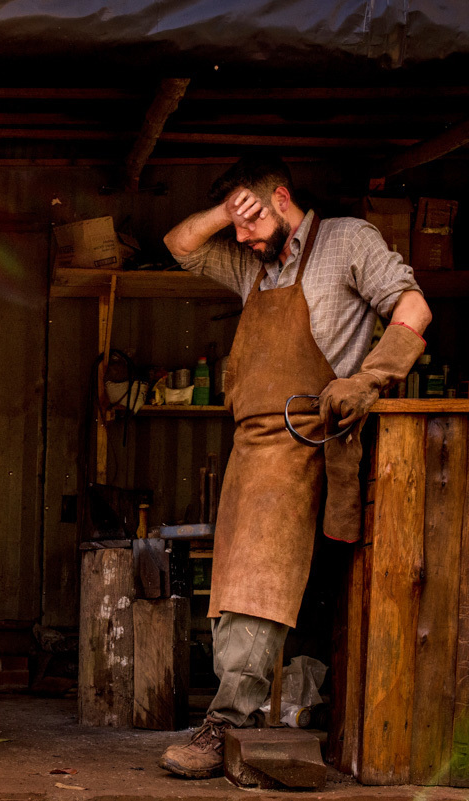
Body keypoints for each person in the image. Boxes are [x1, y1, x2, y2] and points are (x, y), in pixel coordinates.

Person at [157, 155, 431, 779]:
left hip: (305, 439)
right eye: (236, 228)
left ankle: (228, 722)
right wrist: (228, 212)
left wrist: (370, 378)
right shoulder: (254, 265)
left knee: (258, 582)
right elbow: (178, 244)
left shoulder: (346, 240)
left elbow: (413, 307)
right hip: (250, 447)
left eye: (249, 221)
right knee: (232, 587)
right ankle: (237, 720)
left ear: (279, 198)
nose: (242, 238)